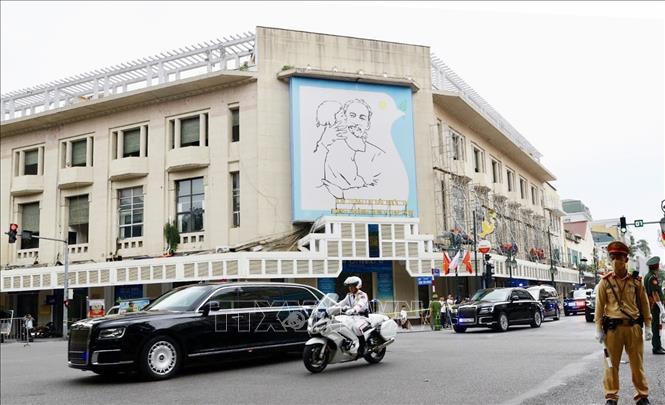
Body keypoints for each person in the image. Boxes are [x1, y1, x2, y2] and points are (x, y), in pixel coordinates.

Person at [594, 241, 652, 405]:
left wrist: (648, 325)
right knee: (610, 365)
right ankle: (611, 397)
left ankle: (642, 396)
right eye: (612, 257)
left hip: (633, 327)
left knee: (637, 364)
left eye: (619, 257)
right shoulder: (605, 282)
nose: (615, 261)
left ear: (626, 259)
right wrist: (598, 328)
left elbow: (645, 305)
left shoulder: (636, 281)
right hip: (613, 330)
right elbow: (599, 307)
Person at [335, 276, 370, 355]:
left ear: (357, 285)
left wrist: (354, 310)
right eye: (349, 286)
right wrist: (333, 307)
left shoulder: (362, 295)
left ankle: (363, 346)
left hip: (362, 317)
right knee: (340, 324)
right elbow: (341, 303)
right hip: (352, 316)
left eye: (352, 286)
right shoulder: (349, 295)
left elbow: (360, 304)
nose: (350, 288)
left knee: (356, 328)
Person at [644, 256, 665, 354]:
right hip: (654, 305)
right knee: (656, 326)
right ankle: (656, 347)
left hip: (652, 305)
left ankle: (658, 345)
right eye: (657, 265)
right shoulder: (652, 277)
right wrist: (661, 308)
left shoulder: (647, 276)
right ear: (655, 266)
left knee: (657, 325)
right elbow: (655, 293)